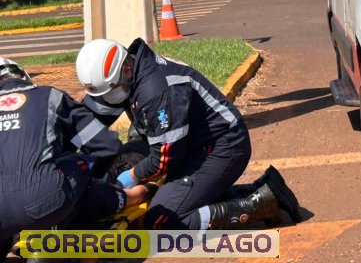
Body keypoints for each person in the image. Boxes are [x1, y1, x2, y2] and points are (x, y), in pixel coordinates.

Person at [75, 37, 301, 230]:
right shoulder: (126, 75)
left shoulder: (156, 91)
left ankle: (259, 206)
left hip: (222, 146)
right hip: (189, 143)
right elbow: (90, 117)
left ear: (125, 70)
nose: (110, 98)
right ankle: (265, 189)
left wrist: (133, 178)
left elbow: (165, 158)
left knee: (162, 219)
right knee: (141, 176)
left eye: (112, 91)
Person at [0, 57, 148, 260]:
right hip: (47, 200)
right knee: (76, 162)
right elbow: (107, 146)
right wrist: (96, 178)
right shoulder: (48, 97)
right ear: (25, 77)